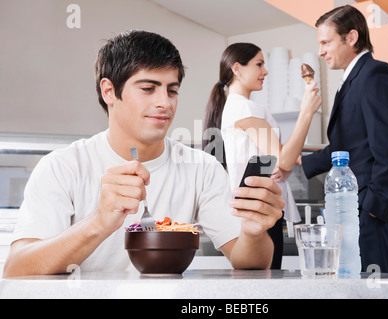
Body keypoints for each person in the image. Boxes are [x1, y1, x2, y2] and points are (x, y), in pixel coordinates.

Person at [2, 31, 285, 278]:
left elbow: (251, 263)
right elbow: (17, 268)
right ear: (109, 91)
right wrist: (99, 221)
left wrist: (253, 232)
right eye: (148, 89)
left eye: (171, 91)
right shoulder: (62, 166)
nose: (164, 103)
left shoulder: (202, 167)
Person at [301, 5, 388, 274]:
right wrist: (299, 162)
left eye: (326, 42)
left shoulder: (376, 75)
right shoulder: (354, 79)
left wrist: (372, 211)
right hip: (358, 211)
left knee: (387, 292)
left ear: (351, 37)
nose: (321, 51)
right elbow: (349, 145)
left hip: (377, 215)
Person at [203, 43, 322, 269]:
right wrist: (307, 112)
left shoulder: (240, 107)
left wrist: (283, 161)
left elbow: (280, 160)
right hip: (260, 210)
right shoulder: (244, 109)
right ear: (237, 69)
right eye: (259, 64)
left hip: (259, 207)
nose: (265, 71)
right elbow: (283, 159)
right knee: (266, 283)